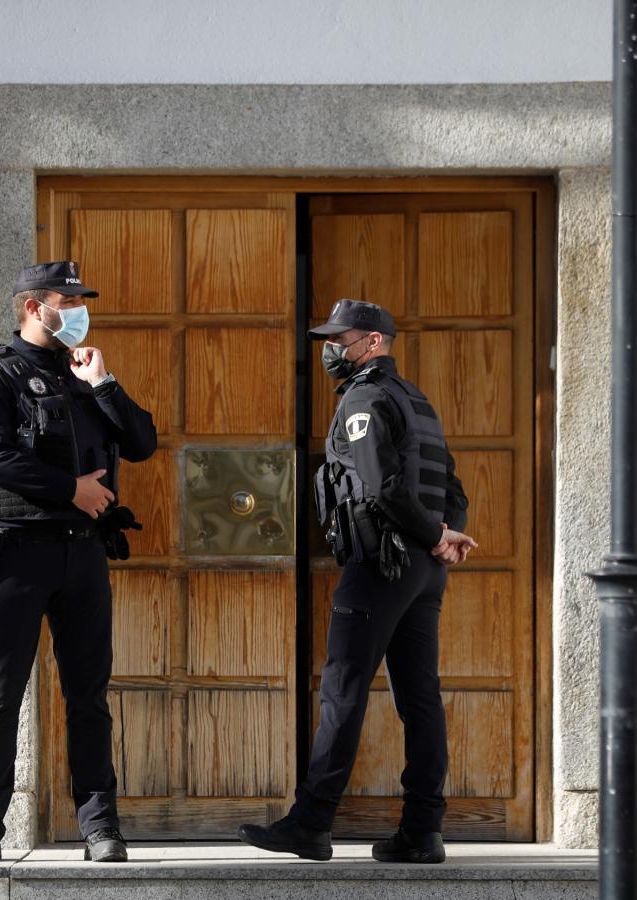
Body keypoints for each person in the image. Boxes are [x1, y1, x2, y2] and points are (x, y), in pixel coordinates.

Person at [238, 299, 476, 865]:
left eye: (339, 339)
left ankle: (311, 824)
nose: (330, 349)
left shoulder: (364, 399)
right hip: (422, 572)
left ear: (372, 342)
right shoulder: (417, 400)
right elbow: (453, 490)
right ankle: (422, 831)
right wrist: (444, 537)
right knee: (420, 698)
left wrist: (432, 536)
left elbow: (382, 486)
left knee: (343, 691)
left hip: (380, 565)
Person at [0, 260, 157, 864]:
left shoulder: (84, 373)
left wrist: (105, 383)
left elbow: (142, 443)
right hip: (15, 555)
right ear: (32, 308)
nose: (77, 313)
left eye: (79, 303)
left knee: (88, 697)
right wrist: (72, 489)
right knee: (0, 694)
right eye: (66, 303)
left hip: (83, 555)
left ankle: (100, 828)